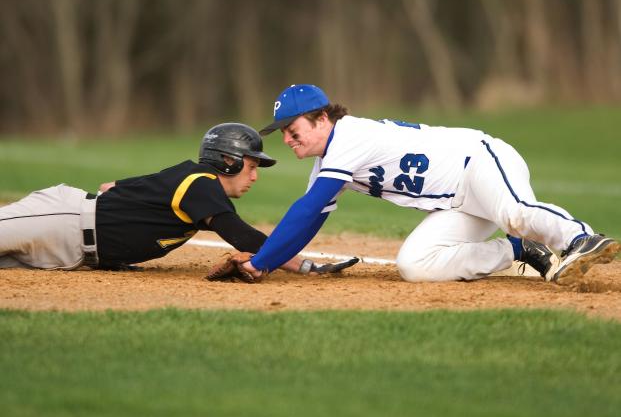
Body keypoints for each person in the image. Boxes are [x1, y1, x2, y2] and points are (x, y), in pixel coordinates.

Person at [235, 84, 619, 284]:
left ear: (321, 119)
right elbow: (311, 217)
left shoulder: (347, 137)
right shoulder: (327, 163)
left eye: (292, 129)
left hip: (478, 160)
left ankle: (580, 238)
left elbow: (305, 210)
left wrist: (260, 261)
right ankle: (520, 251)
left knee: (513, 211)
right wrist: (264, 264)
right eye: (283, 132)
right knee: (415, 265)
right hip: (456, 202)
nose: (286, 139)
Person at [0, 122, 355, 278]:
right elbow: (242, 236)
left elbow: (112, 187)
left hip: (72, 254)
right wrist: (301, 264)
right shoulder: (201, 184)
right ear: (227, 160)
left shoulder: (191, 183)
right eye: (250, 166)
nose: (255, 176)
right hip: (59, 220)